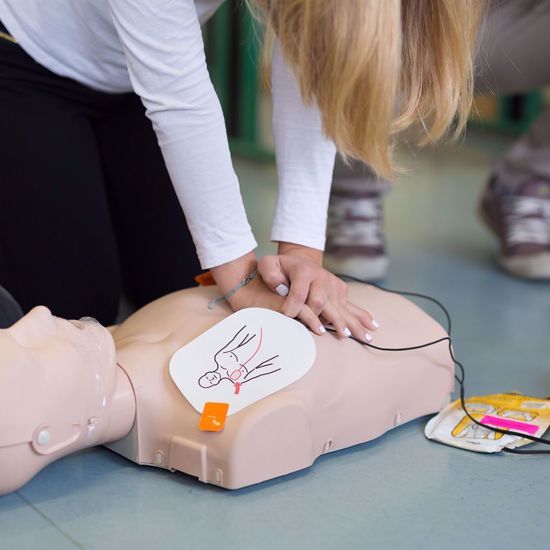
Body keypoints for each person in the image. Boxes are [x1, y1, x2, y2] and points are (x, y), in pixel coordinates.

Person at [0, 1, 483, 340]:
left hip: (132, 85)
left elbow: (311, 61)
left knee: (183, 300)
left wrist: (302, 258)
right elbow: (180, 100)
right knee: (73, 321)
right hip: (23, 60)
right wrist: (240, 280)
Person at [0, 280, 453, 495]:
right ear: (49, 436)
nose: (38, 316)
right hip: (397, 335)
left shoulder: (126, 334)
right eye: (31, 350)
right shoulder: (220, 425)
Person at [325, 0, 550, 281]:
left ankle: (527, 184)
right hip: (398, 23)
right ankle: (351, 190)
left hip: (499, 21)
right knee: (356, 15)